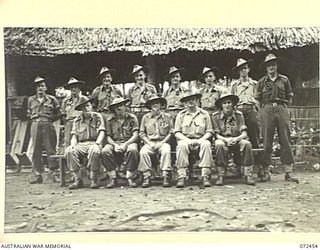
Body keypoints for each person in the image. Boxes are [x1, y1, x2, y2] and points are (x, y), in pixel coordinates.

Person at [256, 54, 298, 183]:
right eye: (269, 65)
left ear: (277, 65)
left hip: (281, 108)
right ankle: (266, 172)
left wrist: (285, 108)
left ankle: (288, 172)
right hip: (267, 109)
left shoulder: (284, 80)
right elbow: (257, 99)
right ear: (266, 68)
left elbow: (289, 96)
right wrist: (262, 111)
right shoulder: (262, 81)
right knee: (267, 140)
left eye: (273, 64)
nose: (271, 67)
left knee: (285, 139)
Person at [212, 93, 255, 186]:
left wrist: (236, 139)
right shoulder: (216, 116)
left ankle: (248, 174)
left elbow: (244, 133)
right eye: (224, 103)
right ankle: (221, 174)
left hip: (237, 138)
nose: (227, 105)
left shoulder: (239, 115)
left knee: (246, 144)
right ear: (221, 105)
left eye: (229, 103)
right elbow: (216, 134)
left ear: (233, 104)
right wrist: (226, 140)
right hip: (223, 139)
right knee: (219, 144)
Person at [174, 92, 213, 188]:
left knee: (206, 144)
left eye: (192, 99)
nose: (190, 102)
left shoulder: (204, 114)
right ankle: (182, 176)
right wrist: (188, 140)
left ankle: (205, 176)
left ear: (197, 101)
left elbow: (209, 131)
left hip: (201, 139)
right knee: (181, 145)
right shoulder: (181, 115)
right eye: (187, 100)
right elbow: (177, 132)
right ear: (184, 103)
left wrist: (200, 140)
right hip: (186, 140)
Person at [65, 97, 106, 189]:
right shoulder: (77, 120)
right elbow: (75, 135)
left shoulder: (97, 116)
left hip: (94, 142)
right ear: (80, 110)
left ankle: (93, 179)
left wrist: (97, 144)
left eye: (88, 106)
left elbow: (102, 132)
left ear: (91, 106)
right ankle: (77, 179)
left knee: (95, 151)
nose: (86, 109)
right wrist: (72, 145)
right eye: (83, 108)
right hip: (81, 144)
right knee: (70, 151)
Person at [28, 76, 61, 184]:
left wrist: (50, 120)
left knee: (50, 148)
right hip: (35, 124)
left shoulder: (52, 99)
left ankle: (54, 173)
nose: (40, 88)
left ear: (46, 88)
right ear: (35, 88)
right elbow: (28, 113)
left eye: (42, 86)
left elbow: (59, 113)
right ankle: (38, 174)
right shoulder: (31, 100)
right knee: (36, 149)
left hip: (48, 124)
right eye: (38, 86)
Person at [101, 97, 140, 188]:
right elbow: (108, 136)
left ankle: (130, 177)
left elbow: (135, 135)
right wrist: (115, 145)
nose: (118, 108)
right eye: (116, 106)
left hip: (129, 142)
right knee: (105, 151)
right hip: (114, 142)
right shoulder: (110, 120)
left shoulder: (132, 118)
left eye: (121, 105)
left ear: (125, 106)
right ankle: (113, 178)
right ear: (113, 108)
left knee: (133, 150)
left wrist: (125, 144)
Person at [138, 95, 174, 188]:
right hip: (150, 142)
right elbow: (142, 133)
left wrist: (163, 142)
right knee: (143, 152)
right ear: (150, 106)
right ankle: (147, 176)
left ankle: (166, 175)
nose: (155, 105)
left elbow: (171, 132)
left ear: (161, 104)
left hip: (163, 141)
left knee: (166, 150)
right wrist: (149, 143)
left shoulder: (167, 117)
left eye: (157, 103)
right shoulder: (145, 118)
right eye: (152, 103)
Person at [231, 58, 260, 149]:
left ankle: (256, 153)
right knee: (237, 133)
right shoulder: (234, 85)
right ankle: (237, 157)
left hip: (251, 109)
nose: (243, 70)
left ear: (248, 69)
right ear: (238, 71)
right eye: (241, 69)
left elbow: (259, 100)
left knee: (254, 131)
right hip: (238, 111)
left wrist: (254, 104)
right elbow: (231, 99)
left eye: (245, 68)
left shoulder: (255, 84)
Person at [61, 77, 89, 148]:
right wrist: (67, 124)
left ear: (79, 88)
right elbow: (63, 115)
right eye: (71, 87)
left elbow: (89, 113)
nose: (73, 89)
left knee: (81, 144)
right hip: (69, 124)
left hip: (80, 124)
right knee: (68, 143)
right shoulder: (65, 101)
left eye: (75, 87)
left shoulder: (84, 99)